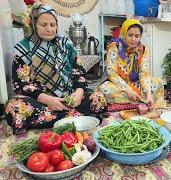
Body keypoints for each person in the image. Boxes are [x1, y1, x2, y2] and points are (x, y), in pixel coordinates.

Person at [5, 4, 107, 134]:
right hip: (41, 100)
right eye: (43, 25)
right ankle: (73, 116)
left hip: (69, 96)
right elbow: (21, 84)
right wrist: (47, 99)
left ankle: (61, 116)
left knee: (98, 98)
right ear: (34, 24)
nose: (49, 29)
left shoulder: (66, 44)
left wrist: (79, 92)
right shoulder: (23, 49)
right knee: (14, 108)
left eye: (52, 25)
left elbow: (79, 71)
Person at [99, 19, 165, 108]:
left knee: (158, 82)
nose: (133, 39)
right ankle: (141, 100)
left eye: (137, 36)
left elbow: (144, 74)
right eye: (130, 35)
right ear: (124, 34)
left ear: (140, 36)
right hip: (118, 84)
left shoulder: (143, 50)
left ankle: (143, 99)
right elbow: (112, 74)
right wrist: (128, 90)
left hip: (136, 83)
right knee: (105, 89)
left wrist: (148, 93)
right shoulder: (114, 48)